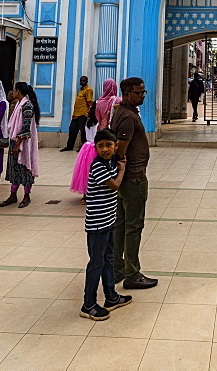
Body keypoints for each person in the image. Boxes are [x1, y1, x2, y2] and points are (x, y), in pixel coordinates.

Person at [81, 128, 133, 321]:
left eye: (108, 145)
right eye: (100, 146)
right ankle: (88, 304)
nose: (105, 149)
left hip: (109, 221)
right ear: (95, 148)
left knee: (109, 258)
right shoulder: (98, 166)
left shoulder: (110, 161)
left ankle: (111, 297)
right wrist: (122, 169)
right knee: (96, 263)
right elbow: (115, 185)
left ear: (115, 146)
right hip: (97, 225)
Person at [111, 76, 157, 289]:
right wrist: (125, 169)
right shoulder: (128, 117)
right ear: (127, 94)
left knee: (120, 225)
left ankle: (117, 268)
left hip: (125, 180)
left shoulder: (122, 111)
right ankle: (132, 274)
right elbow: (120, 149)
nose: (143, 95)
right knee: (133, 226)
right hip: (133, 179)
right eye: (139, 92)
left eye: (143, 92)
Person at [1, 82, 41, 208]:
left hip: (24, 142)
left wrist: (17, 145)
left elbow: (26, 127)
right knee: (14, 169)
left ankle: (26, 195)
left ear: (18, 91)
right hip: (15, 140)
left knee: (25, 169)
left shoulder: (27, 105)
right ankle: (13, 194)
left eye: (14, 90)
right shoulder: (19, 103)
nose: (12, 93)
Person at [71, 103, 100, 198]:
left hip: (87, 147)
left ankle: (85, 194)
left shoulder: (88, 122)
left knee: (85, 172)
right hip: (95, 147)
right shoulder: (99, 123)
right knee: (93, 171)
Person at [62, 75, 94, 151]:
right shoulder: (80, 90)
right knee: (72, 130)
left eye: (83, 80)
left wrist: (89, 113)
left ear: (87, 81)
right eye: (81, 80)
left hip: (83, 114)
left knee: (83, 131)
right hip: (76, 114)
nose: (82, 82)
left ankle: (83, 147)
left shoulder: (88, 90)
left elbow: (89, 102)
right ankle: (69, 146)